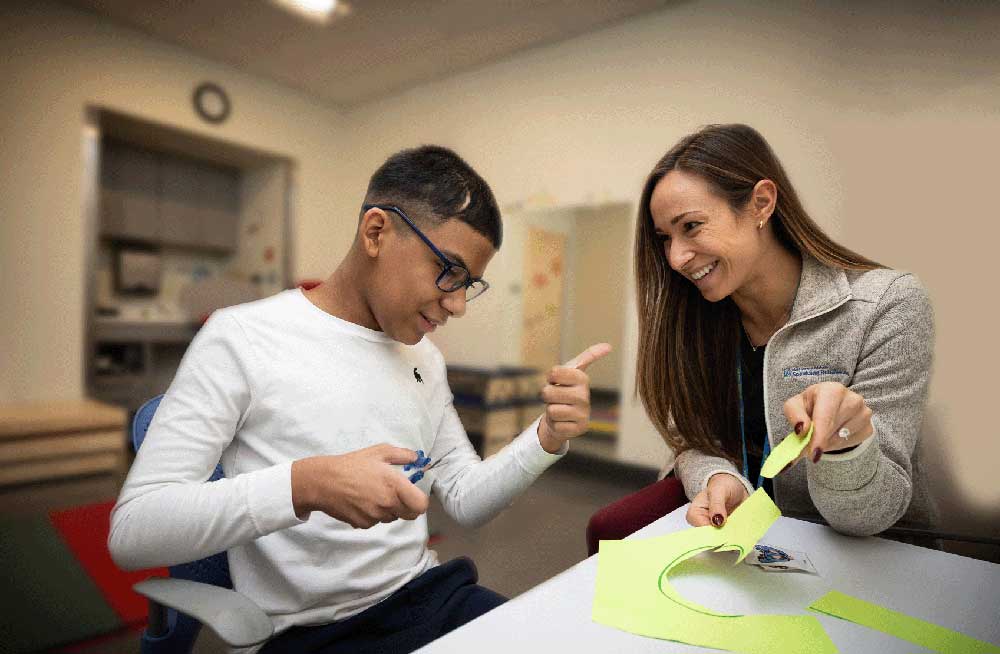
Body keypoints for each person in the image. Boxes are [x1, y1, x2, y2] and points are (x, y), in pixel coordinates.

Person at [109, 145, 610, 653]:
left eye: (469, 285)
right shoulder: (241, 338)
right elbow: (135, 531)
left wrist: (546, 437)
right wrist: (306, 484)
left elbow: (465, 498)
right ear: (376, 232)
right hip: (312, 633)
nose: (457, 305)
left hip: (427, 597)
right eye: (447, 272)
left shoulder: (425, 360)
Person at [632, 123, 934, 537]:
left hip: (874, 559)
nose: (677, 258)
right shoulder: (701, 319)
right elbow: (691, 439)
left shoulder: (888, 304)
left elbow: (869, 517)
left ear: (761, 203)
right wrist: (719, 479)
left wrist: (847, 448)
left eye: (691, 226)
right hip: (757, 554)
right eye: (665, 238)